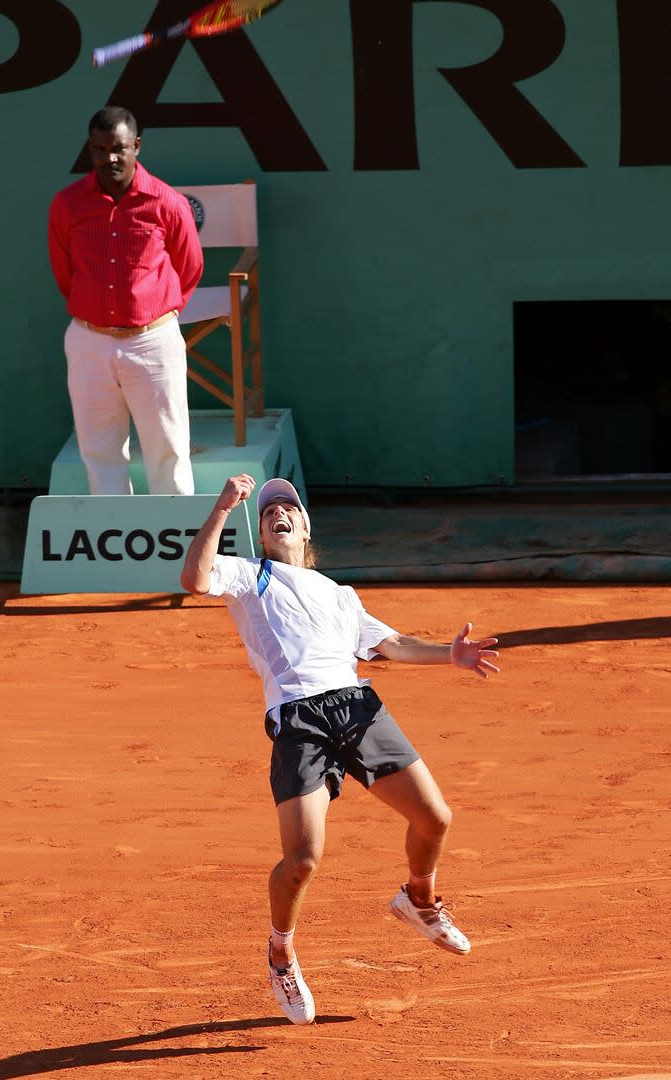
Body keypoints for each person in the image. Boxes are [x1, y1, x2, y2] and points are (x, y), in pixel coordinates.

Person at [180, 474, 500, 1025]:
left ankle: (418, 901)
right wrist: (222, 507)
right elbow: (194, 578)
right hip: (298, 720)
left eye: (289, 508)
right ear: (260, 532)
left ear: (305, 526)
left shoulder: (338, 594)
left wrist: (449, 655)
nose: (278, 513)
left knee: (435, 818)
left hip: (357, 707)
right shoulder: (248, 574)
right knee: (302, 861)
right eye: (267, 512)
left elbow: (391, 645)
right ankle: (280, 950)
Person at [48, 106, 203, 496]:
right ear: (91, 150)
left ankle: (182, 554)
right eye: (100, 150)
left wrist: (152, 313)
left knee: (168, 450)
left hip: (153, 342)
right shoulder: (68, 204)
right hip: (88, 343)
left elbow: (190, 267)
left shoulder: (167, 202)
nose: (110, 158)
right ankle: (116, 552)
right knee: (99, 452)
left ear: (136, 146)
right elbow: (65, 273)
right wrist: (97, 317)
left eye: (118, 148)